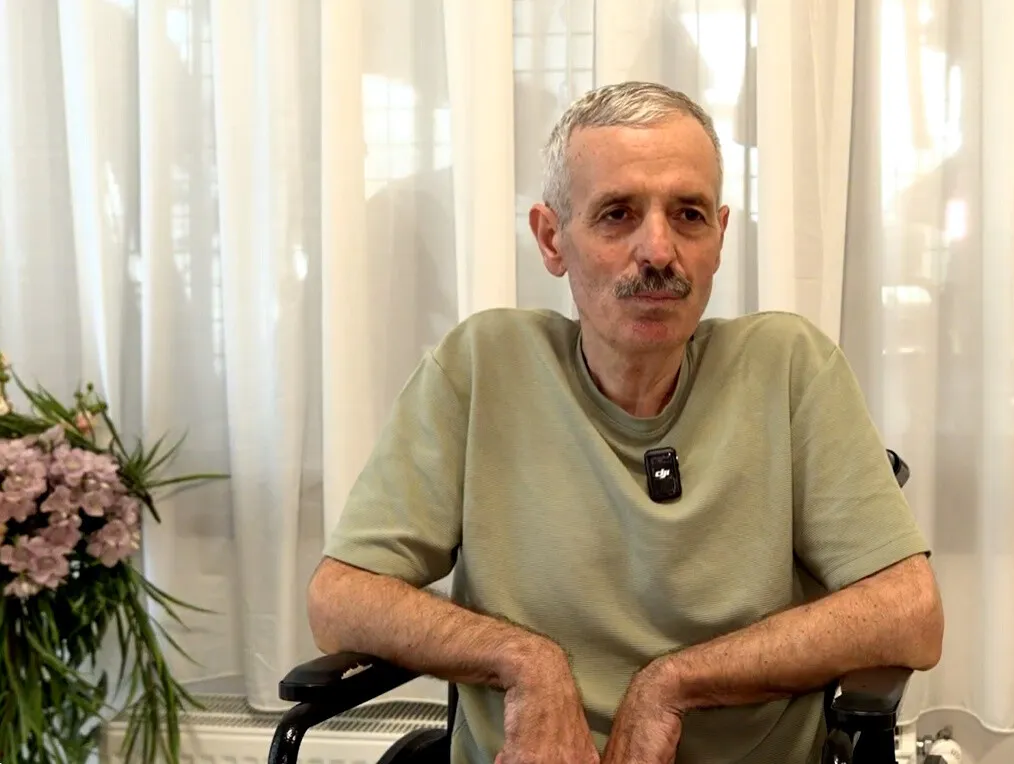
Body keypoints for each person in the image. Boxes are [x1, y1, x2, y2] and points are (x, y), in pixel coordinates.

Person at [306, 81, 944, 764]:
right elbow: (339, 599)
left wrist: (673, 685)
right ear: (552, 239)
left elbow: (910, 614)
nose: (659, 251)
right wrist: (524, 662)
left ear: (720, 238)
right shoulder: (481, 367)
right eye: (617, 215)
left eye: (689, 215)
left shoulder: (789, 367)